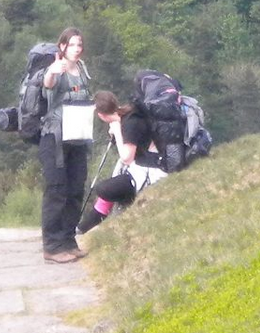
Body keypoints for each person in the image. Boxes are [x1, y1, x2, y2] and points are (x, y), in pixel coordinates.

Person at [76, 89, 165, 235]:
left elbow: (127, 157)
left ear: (100, 115)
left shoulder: (130, 122)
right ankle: (82, 228)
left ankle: (84, 227)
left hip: (150, 170)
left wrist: (117, 132)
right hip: (142, 166)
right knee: (108, 188)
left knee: (103, 189)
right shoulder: (128, 114)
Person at [38, 26, 93, 263]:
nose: (77, 49)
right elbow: (48, 85)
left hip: (78, 137)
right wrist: (52, 71)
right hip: (55, 137)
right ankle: (52, 246)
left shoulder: (82, 69)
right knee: (56, 190)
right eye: (72, 45)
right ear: (62, 46)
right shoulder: (56, 69)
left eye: (79, 45)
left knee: (75, 189)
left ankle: (68, 241)